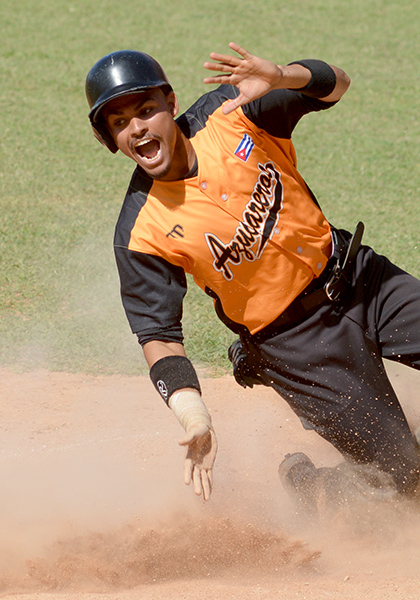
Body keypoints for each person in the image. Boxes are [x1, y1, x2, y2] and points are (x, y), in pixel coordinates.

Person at [85, 42, 420, 508]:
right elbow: (157, 333)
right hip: (298, 347)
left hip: (362, 279)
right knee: (406, 483)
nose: (137, 128)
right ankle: (318, 488)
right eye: (119, 123)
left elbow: (337, 84)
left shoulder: (232, 111)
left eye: (145, 110)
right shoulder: (141, 230)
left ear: (171, 103)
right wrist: (191, 411)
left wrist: (284, 75)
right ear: (109, 140)